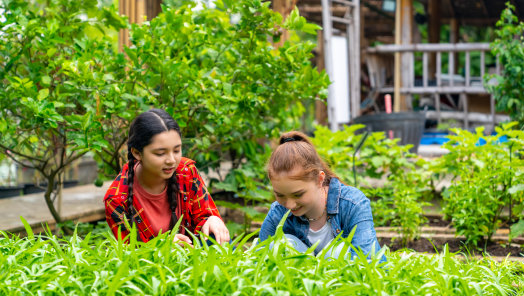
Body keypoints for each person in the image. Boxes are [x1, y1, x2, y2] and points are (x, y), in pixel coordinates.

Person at [104, 108, 229, 246]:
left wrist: (212, 219)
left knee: (215, 237)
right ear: (137, 153)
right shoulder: (116, 199)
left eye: (176, 150)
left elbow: (204, 217)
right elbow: (131, 253)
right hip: (155, 264)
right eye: (160, 153)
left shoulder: (186, 171)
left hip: (193, 254)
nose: (171, 160)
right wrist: (162, 245)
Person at [259, 131, 384, 260]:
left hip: (343, 278)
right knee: (283, 244)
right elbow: (257, 256)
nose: (289, 205)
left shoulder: (353, 203)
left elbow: (369, 258)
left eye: (298, 194)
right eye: (280, 195)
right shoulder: (278, 212)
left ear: (319, 179)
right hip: (300, 278)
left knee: (337, 252)